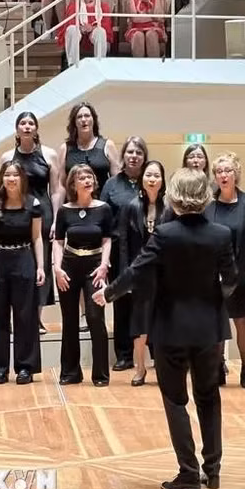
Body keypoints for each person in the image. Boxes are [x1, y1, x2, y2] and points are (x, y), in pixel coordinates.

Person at [93, 168, 238, 489]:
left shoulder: (165, 234)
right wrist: (215, 296)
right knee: (209, 398)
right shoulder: (221, 234)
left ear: (175, 196)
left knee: (175, 400)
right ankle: (212, 471)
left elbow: (136, 270)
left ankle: (188, 473)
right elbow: (230, 280)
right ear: (204, 196)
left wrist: (109, 293)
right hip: (210, 328)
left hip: (171, 328)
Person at [0, 161, 44, 385]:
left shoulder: (32, 203)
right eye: (7, 174)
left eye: (15, 174)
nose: (11, 178)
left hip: (23, 259)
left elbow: (37, 237)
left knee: (26, 315)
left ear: (22, 178)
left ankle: (25, 367)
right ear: (2, 178)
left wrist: (40, 266)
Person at [204, 153, 245, 389]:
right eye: (219, 171)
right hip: (212, 274)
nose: (223, 175)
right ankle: (219, 366)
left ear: (236, 174)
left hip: (239, 272)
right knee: (216, 323)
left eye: (227, 170)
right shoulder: (208, 204)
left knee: (241, 321)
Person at [1, 112, 63, 335]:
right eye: (22, 123)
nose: (27, 127)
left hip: (43, 212)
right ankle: (13, 317)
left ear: (36, 128)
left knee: (42, 264)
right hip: (16, 214)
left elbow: (56, 190)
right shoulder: (7, 157)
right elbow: (2, 190)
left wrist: (56, 219)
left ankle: (36, 319)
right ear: (17, 129)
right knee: (15, 264)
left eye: (31, 123)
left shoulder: (50, 154)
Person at [53, 164, 112, 386]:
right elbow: (58, 243)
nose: (87, 180)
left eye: (90, 176)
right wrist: (56, 268)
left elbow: (107, 240)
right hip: (68, 265)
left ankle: (100, 374)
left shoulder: (104, 208)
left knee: (96, 318)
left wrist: (105, 265)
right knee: (69, 319)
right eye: (81, 177)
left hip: (95, 266)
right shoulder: (65, 210)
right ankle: (70, 372)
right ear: (73, 184)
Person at [100, 136, 148, 372]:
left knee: (148, 301)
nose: (134, 156)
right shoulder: (111, 185)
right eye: (130, 152)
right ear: (123, 156)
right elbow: (102, 218)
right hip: (120, 251)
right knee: (122, 301)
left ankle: (151, 353)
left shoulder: (150, 180)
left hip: (148, 250)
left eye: (139, 152)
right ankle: (124, 354)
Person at [117, 160, 166, 385]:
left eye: (156, 175)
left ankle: (164, 368)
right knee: (140, 325)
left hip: (164, 275)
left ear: (163, 180)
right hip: (139, 275)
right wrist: (127, 275)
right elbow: (124, 243)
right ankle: (140, 368)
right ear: (142, 179)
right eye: (148, 175)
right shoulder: (130, 206)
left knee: (163, 322)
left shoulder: (170, 208)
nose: (152, 179)